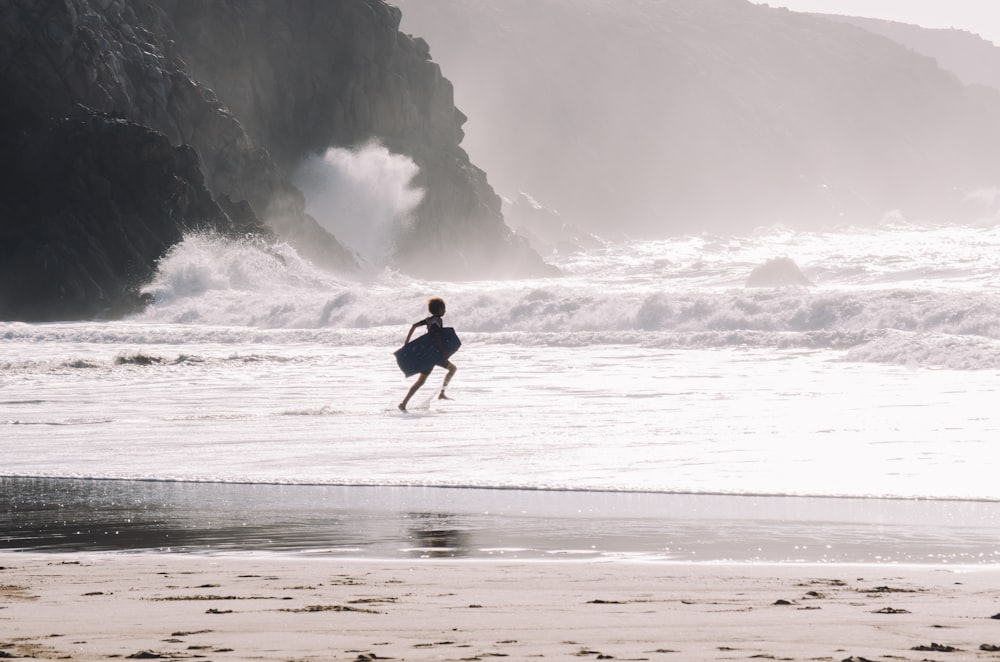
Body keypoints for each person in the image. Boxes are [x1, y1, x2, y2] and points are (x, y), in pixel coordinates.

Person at [398, 297, 458, 411]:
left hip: (429, 355)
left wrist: (407, 341)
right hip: (437, 355)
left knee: (420, 382)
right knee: (453, 369)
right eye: (444, 308)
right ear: (439, 309)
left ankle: (404, 403)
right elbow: (437, 336)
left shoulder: (429, 320)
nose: (445, 311)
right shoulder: (437, 320)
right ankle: (442, 393)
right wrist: (444, 352)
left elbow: (414, 326)